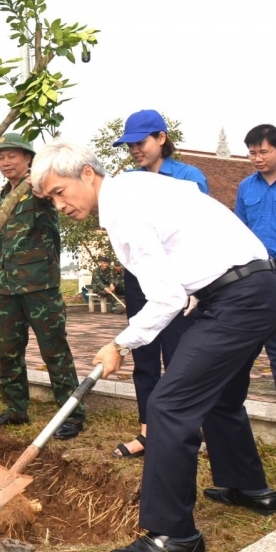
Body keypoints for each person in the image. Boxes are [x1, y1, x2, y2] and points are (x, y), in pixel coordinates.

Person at [33, 139, 276, 552]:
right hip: (256, 289)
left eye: (59, 192)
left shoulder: (124, 210)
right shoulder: (140, 187)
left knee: (168, 406)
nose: (59, 205)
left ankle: (174, 538)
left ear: (88, 174)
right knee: (219, 396)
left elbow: (164, 297)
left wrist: (119, 343)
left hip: (240, 298)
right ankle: (248, 488)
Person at [112, 110, 209, 458]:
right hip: (140, 276)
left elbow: (197, 231)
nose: (134, 150)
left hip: (177, 280)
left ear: (161, 138)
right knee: (145, 354)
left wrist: (194, 289)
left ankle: (187, 433)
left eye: (140, 142)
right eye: (129, 145)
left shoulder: (187, 177)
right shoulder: (129, 180)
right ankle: (147, 432)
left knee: (179, 356)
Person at [0, 132, 84, 439]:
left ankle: (71, 414)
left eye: (12, 155)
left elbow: (52, 196)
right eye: (1, 158)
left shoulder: (39, 188)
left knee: (54, 351)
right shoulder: (2, 198)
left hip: (40, 286)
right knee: (8, 352)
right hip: (6, 287)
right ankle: (16, 409)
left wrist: (39, 182)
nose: (5, 162)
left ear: (28, 158)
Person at [235, 123, 276, 406]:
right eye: (252, 153)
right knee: (275, 335)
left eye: (263, 152)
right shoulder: (246, 187)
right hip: (261, 272)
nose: (257, 158)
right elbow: (240, 230)